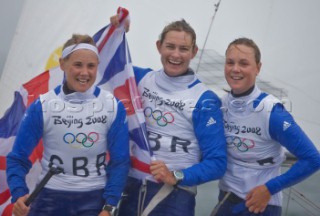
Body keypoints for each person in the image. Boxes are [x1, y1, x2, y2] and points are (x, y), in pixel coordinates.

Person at [111, 16, 227, 216]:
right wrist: (116, 32)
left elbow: (217, 163)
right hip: (132, 189)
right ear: (159, 46)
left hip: (174, 196)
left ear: (193, 52)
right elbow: (99, 62)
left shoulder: (204, 99)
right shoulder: (139, 78)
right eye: (170, 46)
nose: (176, 54)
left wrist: (177, 175)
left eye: (183, 49)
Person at [6, 34, 130, 216]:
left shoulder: (112, 106)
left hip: (94, 199)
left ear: (98, 66)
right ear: (63, 64)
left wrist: (109, 206)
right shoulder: (43, 105)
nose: (84, 73)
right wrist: (19, 194)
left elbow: (120, 162)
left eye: (91, 66)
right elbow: (17, 158)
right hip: (49, 199)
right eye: (77, 65)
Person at [213, 37, 320, 216]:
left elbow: (313, 159)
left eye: (244, 63)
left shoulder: (272, 112)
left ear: (258, 68)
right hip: (226, 201)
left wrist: (269, 189)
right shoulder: (221, 105)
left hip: (261, 206)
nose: (235, 69)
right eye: (230, 62)